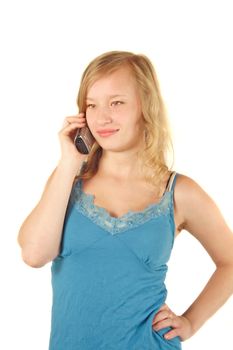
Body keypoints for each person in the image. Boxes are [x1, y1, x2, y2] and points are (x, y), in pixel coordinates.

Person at [17, 50, 233, 350]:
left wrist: (191, 321)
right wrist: (69, 162)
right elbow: (33, 255)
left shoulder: (179, 192)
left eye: (116, 103)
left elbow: (230, 262)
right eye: (92, 105)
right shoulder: (68, 181)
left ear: (146, 106)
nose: (102, 117)